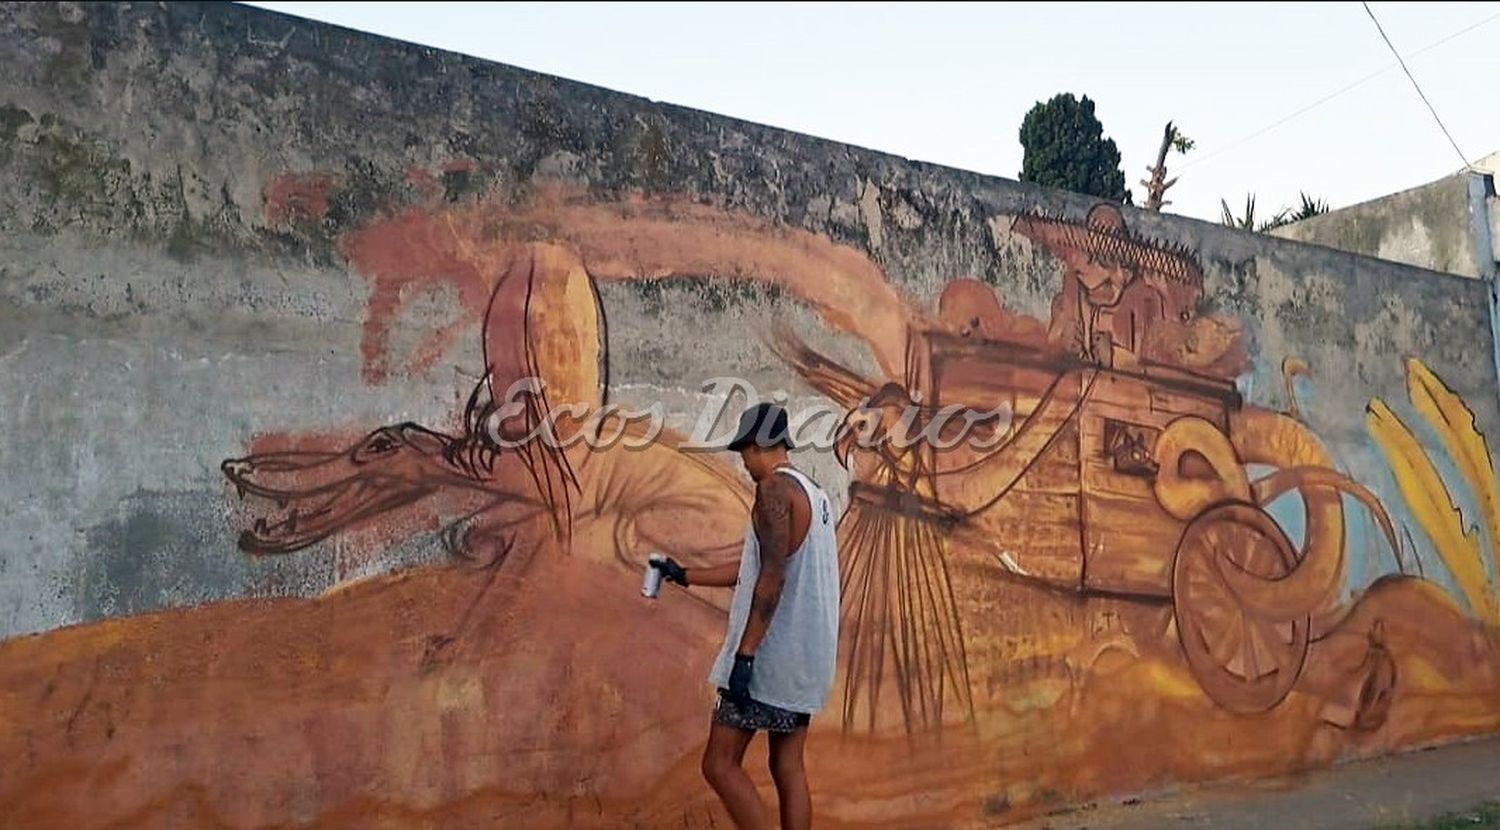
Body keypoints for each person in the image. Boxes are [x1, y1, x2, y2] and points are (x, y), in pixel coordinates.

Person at [651, 401, 839, 830]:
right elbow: (756, 567)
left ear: (758, 446)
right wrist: (686, 575)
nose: (743, 461)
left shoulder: (773, 491)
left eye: (743, 451)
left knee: (719, 763)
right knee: (788, 766)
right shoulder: (814, 493)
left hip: (770, 662)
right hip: (807, 662)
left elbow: (770, 581)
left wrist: (745, 656)